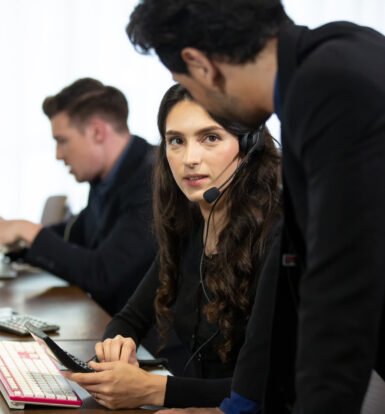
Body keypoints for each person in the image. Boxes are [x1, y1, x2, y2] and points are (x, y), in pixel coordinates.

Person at [125, 1, 385, 413]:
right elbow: (289, 280)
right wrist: (238, 407)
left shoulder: (333, 87)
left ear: (200, 64)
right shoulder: (336, 53)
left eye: (187, 85)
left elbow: (340, 288)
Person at [66, 84, 282, 410]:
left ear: (249, 144)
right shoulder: (191, 227)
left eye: (210, 138)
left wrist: (155, 391)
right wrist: (117, 344)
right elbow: (129, 318)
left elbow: (267, 386)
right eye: (176, 141)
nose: (189, 159)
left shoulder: (278, 237)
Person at [0, 78, 157, 315]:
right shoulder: (109, 178)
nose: (58, 155)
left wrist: (27, 230)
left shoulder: (152, 182)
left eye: (62, 141)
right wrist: (17, 241)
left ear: (97, 132)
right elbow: (76, 235)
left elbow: (104, 274)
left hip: (148, 344)